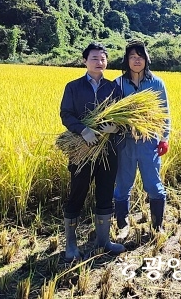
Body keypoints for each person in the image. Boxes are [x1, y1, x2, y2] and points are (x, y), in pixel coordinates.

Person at [59, 42, 125, 262]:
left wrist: (116, 128)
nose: (100, 62)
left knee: (106, 192)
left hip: (108, 150)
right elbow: (66, 114)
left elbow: (123, 116)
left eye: (103, 58)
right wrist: (83, 130)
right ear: (85, 61)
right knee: (78, 192)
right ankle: (70, 244)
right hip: (82, 149)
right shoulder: (73, 87)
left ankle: (103, 240)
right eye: (95, 58)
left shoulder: (113, 88)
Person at [113, 40, 170, 235]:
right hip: (124, 142)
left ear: (146, 59)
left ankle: (157, 226)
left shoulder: (156, 83)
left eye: (140, 57)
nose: (137, 60)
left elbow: (164, 112)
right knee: (122, 186)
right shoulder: (118, 83)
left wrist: (164, 138)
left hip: (149, 142)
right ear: (126, 60)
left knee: (153, 185)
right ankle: (122, 225)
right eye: (132, 57)